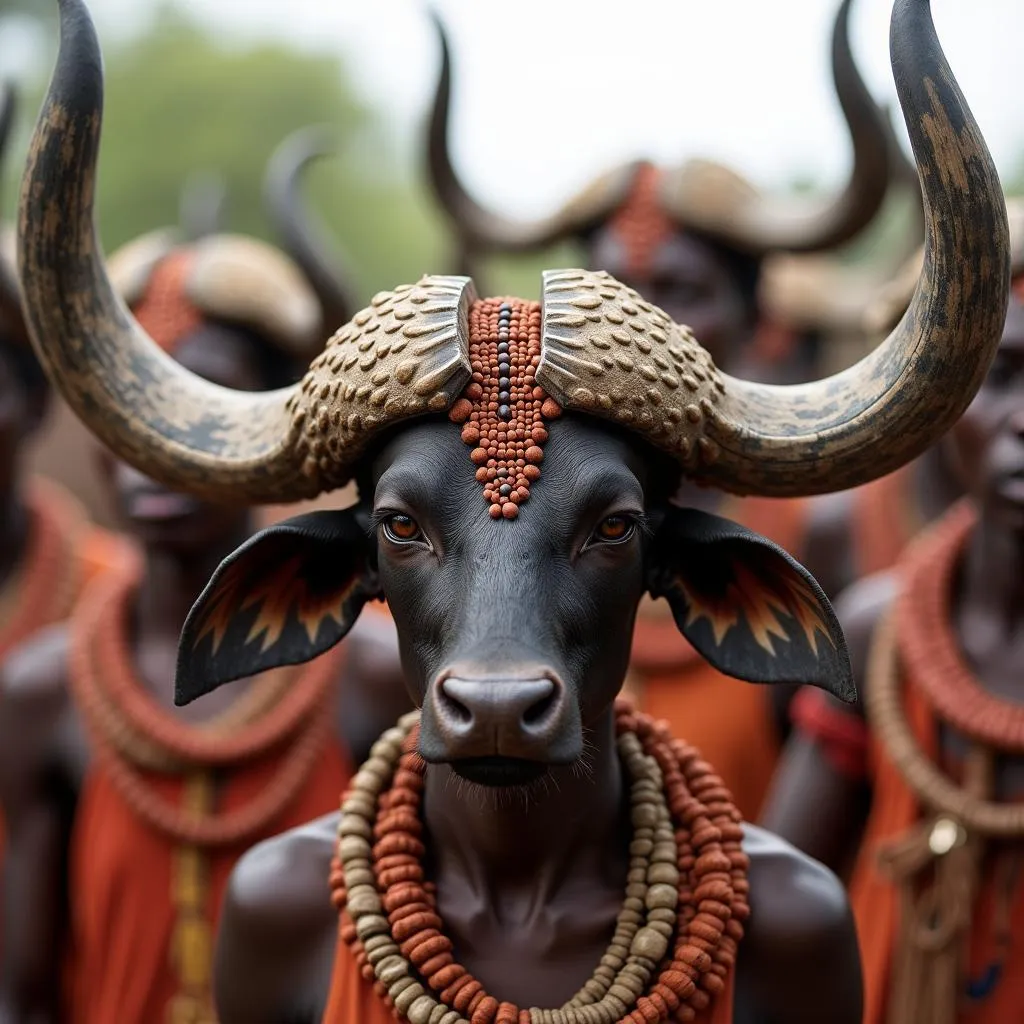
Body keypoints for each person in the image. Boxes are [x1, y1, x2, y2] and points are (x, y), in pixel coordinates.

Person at [16, 0, 1008, 1020]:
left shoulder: (784, 926)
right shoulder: (283, 913)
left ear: (719, 591)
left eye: (608, 528)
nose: (494, 667)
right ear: (313, 584)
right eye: (404, 528)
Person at [0, 229, 353, 1023]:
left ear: (277, 426)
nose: (154, 449)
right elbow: (25, 997)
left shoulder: (366, 672)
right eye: (124, 402)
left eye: (203, 400)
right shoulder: (44, 689)